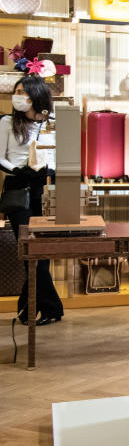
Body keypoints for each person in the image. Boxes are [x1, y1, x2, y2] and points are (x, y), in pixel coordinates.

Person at [1, 76, 61, 326]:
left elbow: (57, 155)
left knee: (41, 252)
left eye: (24, 92)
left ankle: (30, 307)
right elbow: (1, 156)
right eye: (17, 92)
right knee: (29, 251)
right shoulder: (6, 122)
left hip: (43, 190)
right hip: (18, 189)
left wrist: (50, 171)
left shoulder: (51, 123)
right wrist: (17, 170)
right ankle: (49, 307)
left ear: (37, 96)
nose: (19, 96)